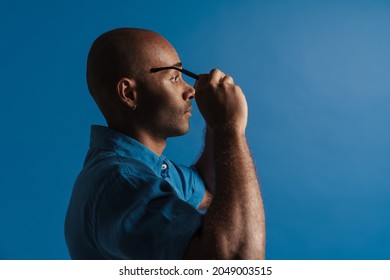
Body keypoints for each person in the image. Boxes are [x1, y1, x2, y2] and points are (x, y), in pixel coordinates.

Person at [65, 27, 265, 259]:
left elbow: (211, 188)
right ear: (129, 94)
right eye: (174, 77)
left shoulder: (146, 168)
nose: (190, 90)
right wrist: (229, 128)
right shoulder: (122, 181)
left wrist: (216, 124)